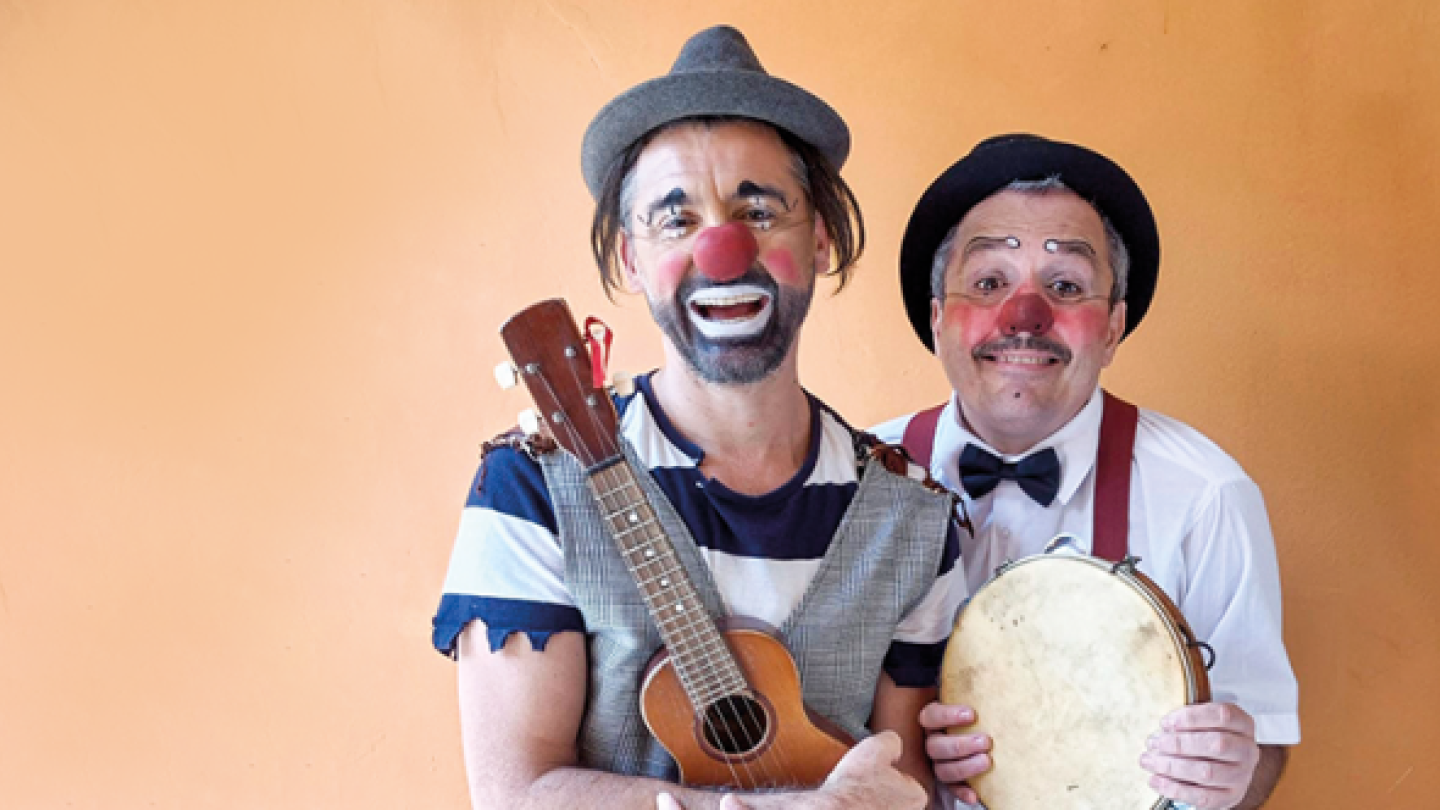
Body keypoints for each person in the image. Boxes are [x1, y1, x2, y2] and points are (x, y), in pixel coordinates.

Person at [431, 25, 965, 810]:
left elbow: (909, 783)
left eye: (759, 209)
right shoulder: (531, 487)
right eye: (674, 221)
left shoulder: (914, 520)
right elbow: (516, 794)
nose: (721, 248)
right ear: (629, 260)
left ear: (818, 239)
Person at [871, 134, 1300, 809]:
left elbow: (1263, 744)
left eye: (1065, 286)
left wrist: (1233, 773)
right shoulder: (854, 477)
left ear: (1112, 327)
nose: (1024, 317)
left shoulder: (1206, 495)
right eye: (988, 283)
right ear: (936, 319)